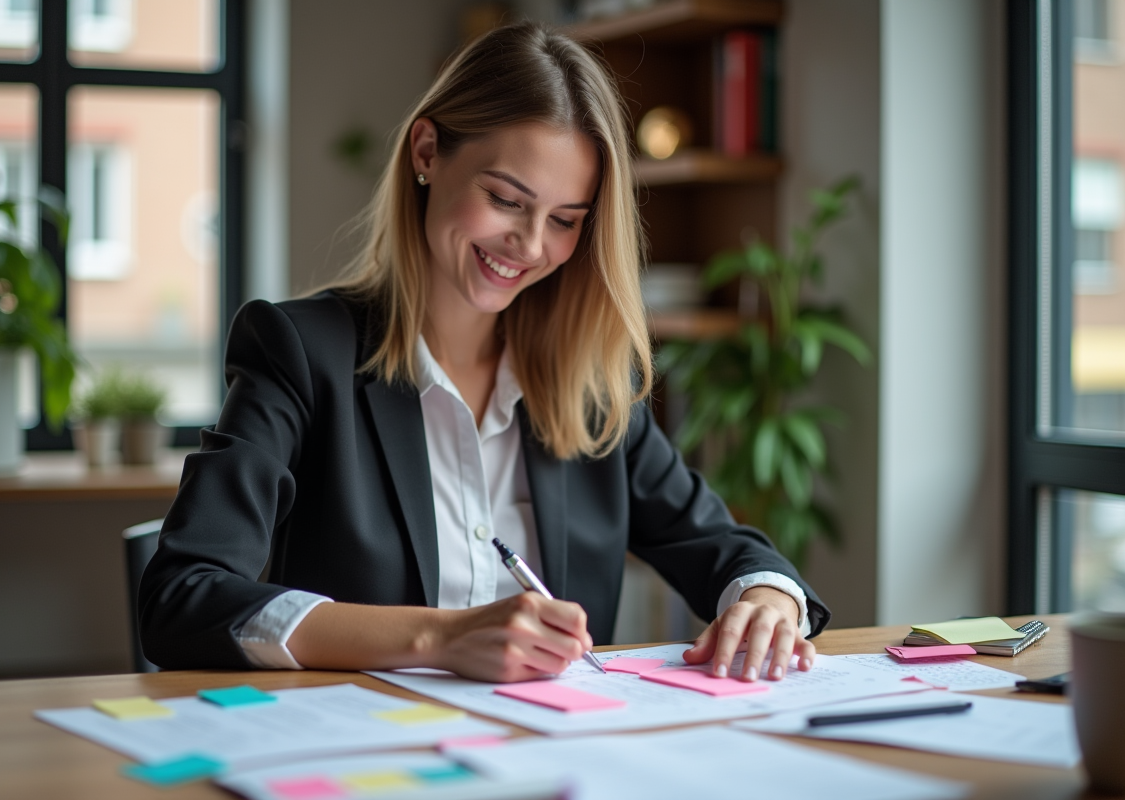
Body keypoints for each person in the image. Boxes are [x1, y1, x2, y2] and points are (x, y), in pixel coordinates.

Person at [139, 22, 830, 684]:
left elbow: (725, 548)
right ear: (427, 153)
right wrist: (440, 637)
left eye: (564, 221)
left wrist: (771, 601)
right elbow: (181, 597)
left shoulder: (589, 384)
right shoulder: (298, 352)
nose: (530, 247)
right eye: (506, 199)